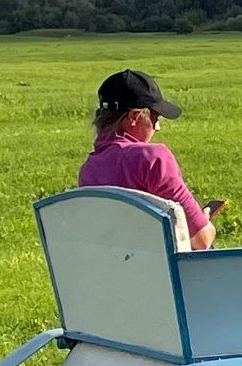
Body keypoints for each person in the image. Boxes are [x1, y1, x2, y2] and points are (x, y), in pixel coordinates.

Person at [78, 69, 217, 250]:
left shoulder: (88, 170)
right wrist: (203, 221)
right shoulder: (153, 160)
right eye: (155, 118)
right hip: (167, 273)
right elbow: (201, 240)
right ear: (134, 118)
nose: (157, 128)